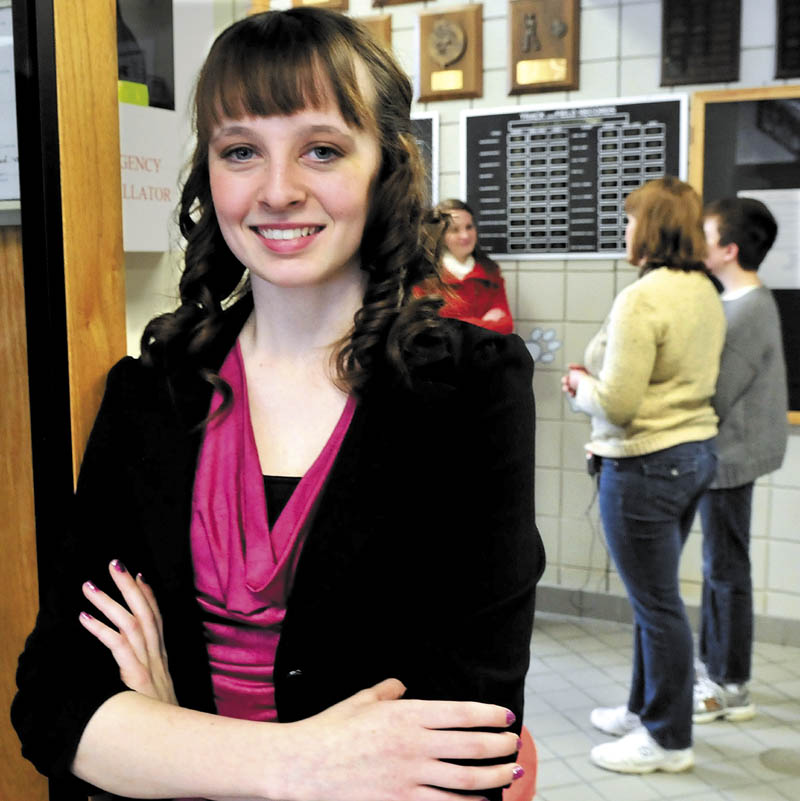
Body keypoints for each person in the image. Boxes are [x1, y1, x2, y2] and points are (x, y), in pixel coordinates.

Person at [12, 9, 544, 801]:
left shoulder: (467, 392)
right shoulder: (151, 395)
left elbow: (464, 747)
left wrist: (167, 739)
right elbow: (55, 701)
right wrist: (299, 763)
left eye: (321, 149)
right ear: (210, 177)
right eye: (240, 152)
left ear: (385, 167)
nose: (279, 190)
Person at [561, 177, 725, 774]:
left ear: (651, 228)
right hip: (692, 454)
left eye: (631, 220)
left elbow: (620, 404)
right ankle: (642, 708)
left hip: (644, 461)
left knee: (657, 606)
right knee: (652, 598)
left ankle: (667, 739)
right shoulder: (702, 288)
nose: (625, 230)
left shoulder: (644, 296)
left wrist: (581, 389)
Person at [693, 197, 788, 724]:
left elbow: (715, 392)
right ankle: (718, 672)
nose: (695, 242)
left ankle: (729, 684)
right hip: (727, 454)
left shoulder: (747, 308)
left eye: (705, 234)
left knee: (726, 571)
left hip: (732, 457)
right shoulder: (737, 300)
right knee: (721, 568)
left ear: (728, 249)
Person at [416, 199, 514, 335]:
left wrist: (454, 325)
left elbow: (506, 325)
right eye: (454, 230)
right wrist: (485, 324)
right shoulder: (425, 274)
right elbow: (427, 329)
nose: (465, 235)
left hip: (486, 355)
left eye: (469, 227)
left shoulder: (490, 270)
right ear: (440, 235)